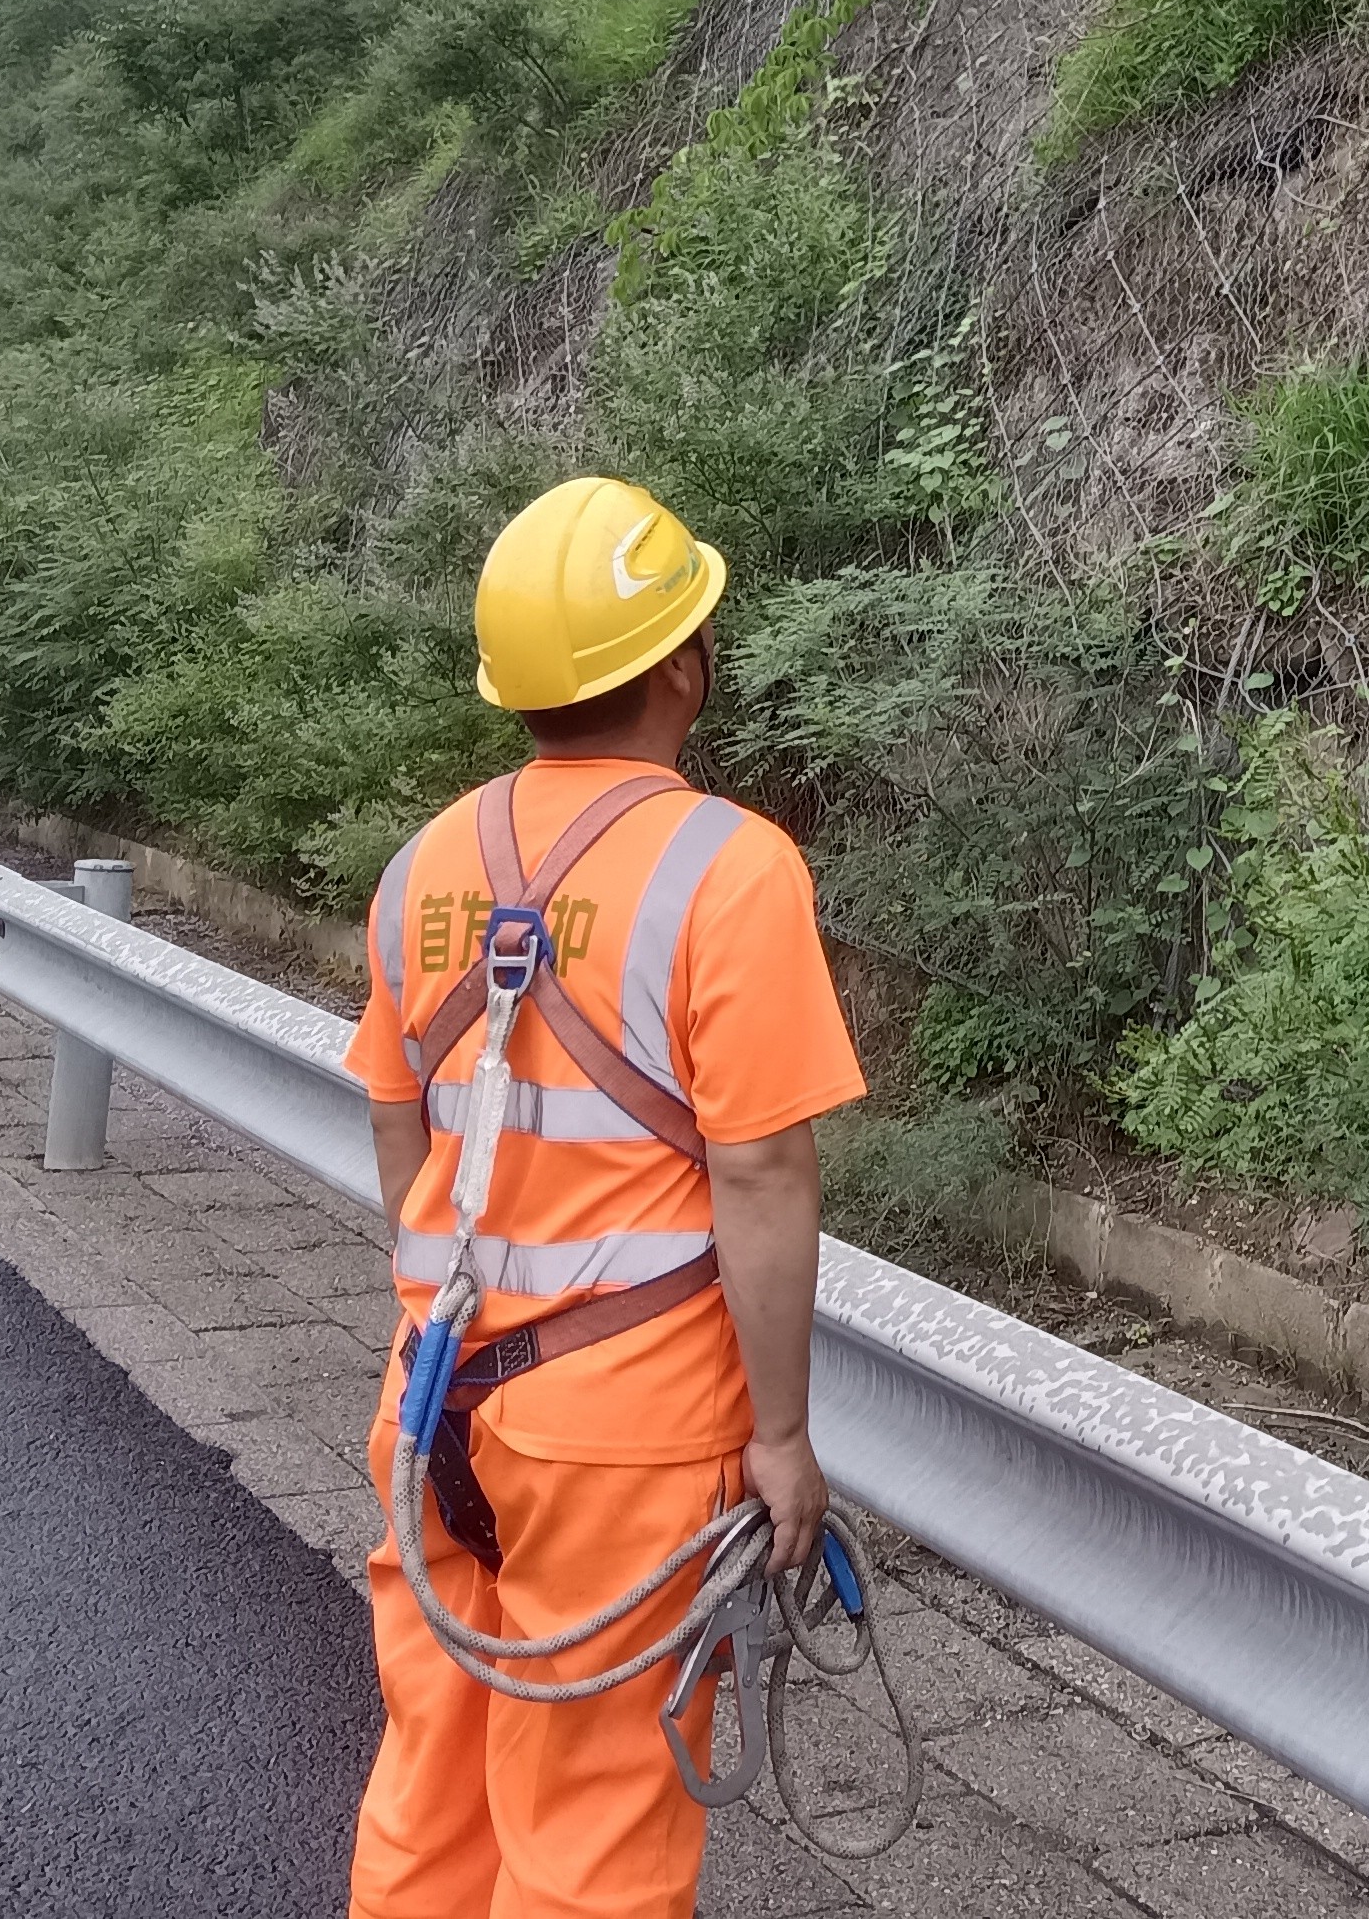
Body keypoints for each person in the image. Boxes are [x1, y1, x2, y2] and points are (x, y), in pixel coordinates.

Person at [342, 475, 865, 1919]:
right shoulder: (729, 868)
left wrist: (446, 1311)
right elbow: (759, 1170)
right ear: (684, 663)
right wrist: (780, 1439)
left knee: (430, 1789)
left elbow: (399, 1121)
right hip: (622, 1435)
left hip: (432, 1398)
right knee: (594, 1837)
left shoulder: (425, 863)